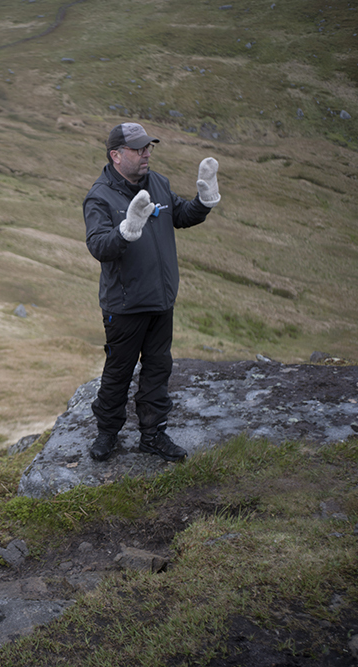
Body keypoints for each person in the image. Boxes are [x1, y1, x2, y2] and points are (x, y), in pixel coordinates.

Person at [83, 122, 221, 463]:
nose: (147, 153)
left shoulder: (158, 182)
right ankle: (107, 433)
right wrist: (126, 230)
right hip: (125, 305)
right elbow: (98, 245)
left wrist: (204, 202)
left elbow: (181, 215)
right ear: (116, 155)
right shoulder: (100, 196)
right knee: (119, 372)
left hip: (161, 300)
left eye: (149, 147)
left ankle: (153, 434)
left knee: (159, 369)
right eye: (138, 148)